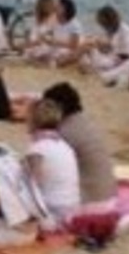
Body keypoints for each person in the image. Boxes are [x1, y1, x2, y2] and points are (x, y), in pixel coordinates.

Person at [40, 81, 117, 211]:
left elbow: (46, 172)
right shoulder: (85, 123)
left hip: (88, 204)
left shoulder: (64, 133)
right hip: (109, 198)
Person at [23, 98, 80, 225]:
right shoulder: (63, 145)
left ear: (33, 121)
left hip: (54, 210)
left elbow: (33, 184)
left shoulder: (37, 148)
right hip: (72, 205)